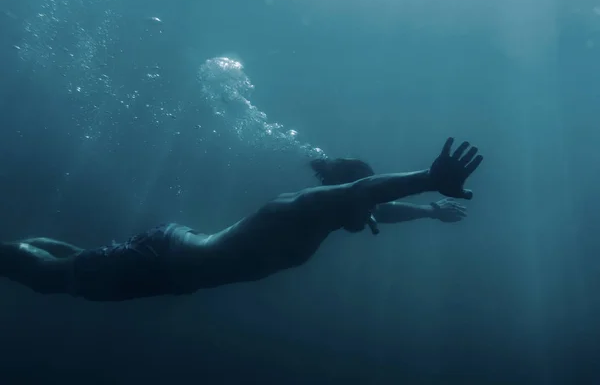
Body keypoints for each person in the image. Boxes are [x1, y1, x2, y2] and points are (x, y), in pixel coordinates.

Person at [0, 137, 483, 302]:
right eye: (365, 202)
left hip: (173, 266)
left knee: (74, 268)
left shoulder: (332, 215)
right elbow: (367, 192)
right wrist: (427, 177)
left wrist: (428, 212)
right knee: (53, 281)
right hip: (163, 262)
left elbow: (378, 205)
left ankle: (27, 244)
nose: (371, 214)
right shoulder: (305, 208)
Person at [310, 156, 468, 234]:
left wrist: (432, 210)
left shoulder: (355, 209)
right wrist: (430, 179)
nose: (373, 209)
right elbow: (361, 192)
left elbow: (384, 211)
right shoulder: (302, 207)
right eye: (371, 199)